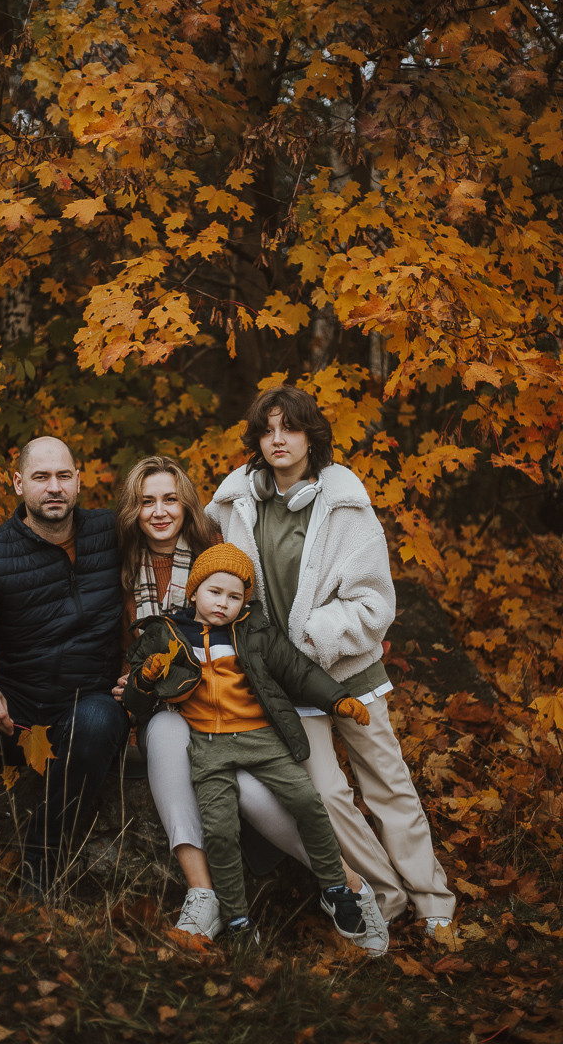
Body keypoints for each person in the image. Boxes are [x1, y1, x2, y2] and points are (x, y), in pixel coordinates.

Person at [114, 456, 390, 956]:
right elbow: (106, 641)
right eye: (147, 501)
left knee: (265, 798)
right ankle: (205, 896)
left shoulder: (217, 552)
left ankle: (345, 885)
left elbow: (276, 656)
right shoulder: (113, 559)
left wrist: (336, 697)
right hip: (164, 709)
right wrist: (133, 681)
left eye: (170, 498)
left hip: (237, 721)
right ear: (132, 508)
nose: (159, 511)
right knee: (167, 741)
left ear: (187, 504)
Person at [206, 386, 456, 937]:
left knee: (388, 785)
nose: (277, 440)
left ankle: (433, 899)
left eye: (289, 429)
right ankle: (385, 897)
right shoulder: (235, 506)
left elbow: (375, 604)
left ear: (309, 437)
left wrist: (309, 638)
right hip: (290, 685)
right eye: (267, 430)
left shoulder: (345, 504)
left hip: (348, 671)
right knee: (325, 795)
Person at [0, 436, 129, 896]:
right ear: (18, 484)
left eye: (63, 476)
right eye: (40, 477)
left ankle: (40, 867)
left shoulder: (113, 533)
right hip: (14, 717)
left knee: (96, 718)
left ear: (79, 480)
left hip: (87, 706)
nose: (54, 487)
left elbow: (177, 538)